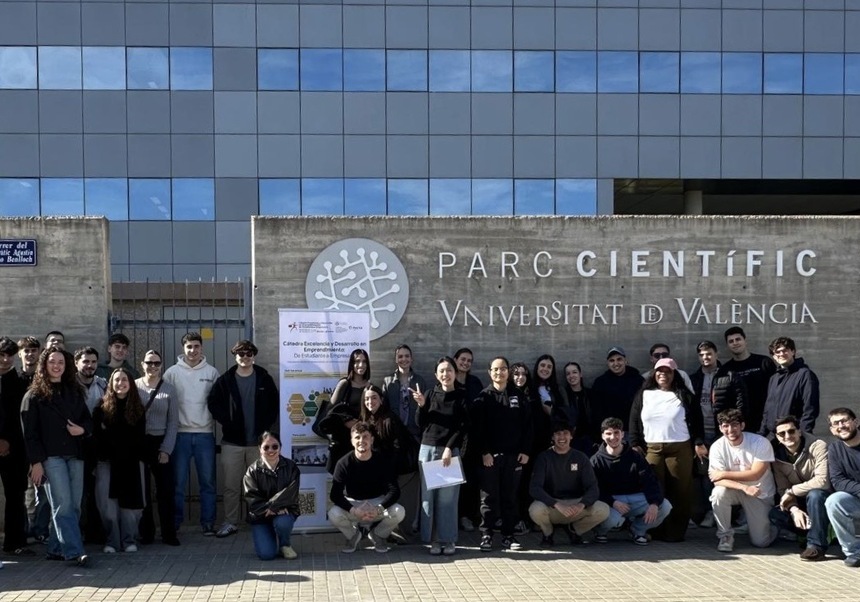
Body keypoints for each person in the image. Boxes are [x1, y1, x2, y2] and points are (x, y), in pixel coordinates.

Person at [20, 347, 92, 566]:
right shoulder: (33, 395)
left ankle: (54, 548)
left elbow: (87, 420)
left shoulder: (74, 391)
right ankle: (75, 551)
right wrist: (36, 462)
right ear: (44, 364)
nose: (57, 365)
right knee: (63, 505)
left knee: (74, 505)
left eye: (61, 362)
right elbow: (29, 434)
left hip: (75, 454)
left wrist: (82, 430)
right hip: (51, 458)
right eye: (52, 361)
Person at [207, 339, 279, 539]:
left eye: (249, 353)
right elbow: (212, 403)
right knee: (231, 486)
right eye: (241, 353)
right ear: (235, 356)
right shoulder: (225, 380)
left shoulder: (264, 378)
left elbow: (274, 404)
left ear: (253, 356)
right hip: (233, 443)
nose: (245, 357)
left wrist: (266, 427)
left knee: (258, 486)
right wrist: (227, 420)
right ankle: (230, 522)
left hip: (258, 444)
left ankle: (258, 521)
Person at [629, 357, 706, 542]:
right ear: (654, 374)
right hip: (652, 448)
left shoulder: (685, 395)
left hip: (680, 448)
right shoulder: (644, 394)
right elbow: (634, 419)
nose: (663, 375)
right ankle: (654, 530)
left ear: (674, 374)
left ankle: (675, 533)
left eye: (668, 372)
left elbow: (697, 420)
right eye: (659, 371)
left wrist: (698, 442)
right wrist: (634, 442)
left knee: (680, 491)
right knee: (655, 490)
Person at [472, 356, 533, 552]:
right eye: (496, 369)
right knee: (488, 499)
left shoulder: (519, 396)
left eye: (503, 368)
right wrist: (484, 453)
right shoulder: (483, 398)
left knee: (510, 498)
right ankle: (487, 535)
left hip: (514, 457)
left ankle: (508, 535)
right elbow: (478, 430)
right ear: (490, 373)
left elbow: (528, 426)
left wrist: (525, 451)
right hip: (489, 458)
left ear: (508, 372)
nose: (500, 372)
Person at [163, 332, 220, 535]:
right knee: (178, 483)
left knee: (208, 483)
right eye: (189, 347)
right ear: (183, 349)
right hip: (180, 435)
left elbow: (218, 401)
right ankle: (175, 522)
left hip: (205, 434)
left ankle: (208, 523)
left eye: (196, 346)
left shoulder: (212, 372)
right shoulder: (172, 372)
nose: (193, 350)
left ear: (201, 348)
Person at [412, 356, 469, 556]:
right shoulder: (429, 394)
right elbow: (420, 424)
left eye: (449, 370)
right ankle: (433, 540)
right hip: (427, 450)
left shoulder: (461, 396)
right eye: (442, 371)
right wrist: (421, 405)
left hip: (449, 453)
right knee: (429, 498)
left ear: (455, 373)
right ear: (436, 375)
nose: (446, 374)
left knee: (448, 499)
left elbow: (462, 426)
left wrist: (449, 447)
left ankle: (448, 540)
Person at [689, 340, 747, 528]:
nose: (705, 357)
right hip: (703, 437)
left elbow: (741, 405)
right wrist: (698, 441)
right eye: (701, 354)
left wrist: (732, 431)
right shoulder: (693, 379)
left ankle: (735, 513)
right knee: (708, 476)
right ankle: (710, 512)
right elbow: (690, 413)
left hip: (725, 436)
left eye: (709, 353)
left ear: (716, 354)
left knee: (731, 473)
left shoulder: (729, 376)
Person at [591, 417, 672, 545]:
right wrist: (613, 502)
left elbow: (650, 481)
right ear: (602, 436)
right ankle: (600, 532)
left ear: (622, 434)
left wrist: (654, 503)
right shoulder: (596, 461)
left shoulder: (635, 456)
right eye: (608, 433)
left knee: (665, 506)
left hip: (636, 499)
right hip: (612, 502)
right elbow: (594, 489)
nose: (613, 437)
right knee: (611, 519)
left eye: (616, 433)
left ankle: (637, 531)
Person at [528, 421, 610, 547]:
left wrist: (582, 504)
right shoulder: (544, 458)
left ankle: (574, 530)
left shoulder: (581, 457)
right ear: (552, 437)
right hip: (553, 506)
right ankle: (548, 533)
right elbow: (535, 488)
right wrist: (556, 504)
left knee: (603, 509)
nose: (562, 437)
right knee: (535, 510)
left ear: (571, 436)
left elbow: (593, 488)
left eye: (565, 433)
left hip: (575, 506)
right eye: (558, 434)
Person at [92, 368, 147, 554]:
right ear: (110, 383)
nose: (120, 383)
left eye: (124, 380)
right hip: (107, 462)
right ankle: (112, 541)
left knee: (130, 507)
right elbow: (97, 436)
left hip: (131, 462)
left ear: (130, 383)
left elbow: (139, 437)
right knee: (107, 505)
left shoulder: (138, 409)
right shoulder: (100, 408)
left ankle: (129, 540)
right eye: (116, 380)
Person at [329, 422, 405, 554]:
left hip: (377, 503)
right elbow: (335, 494)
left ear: (372, 440)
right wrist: (354, 510)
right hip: (354, 504)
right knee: (333, 514)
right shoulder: (343, 463)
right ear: (352, 441)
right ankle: (354, 535)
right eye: (357, 437)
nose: (361, 441)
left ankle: (378, 535)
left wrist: (379, 508)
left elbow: (394, 490)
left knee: (399, 511)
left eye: (365, 437)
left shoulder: (382, 461)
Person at [708, 409, 778, 553]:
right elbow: (717, 481)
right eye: (725, 426)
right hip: (738, 490)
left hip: (759, 492)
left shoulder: (760, 442)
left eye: (734, 425)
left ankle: (776, 525)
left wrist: (723, 473)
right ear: (720, 428)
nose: (730, 430)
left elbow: (755, 474)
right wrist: (744, 487)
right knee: (718, 493)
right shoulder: (717, 447)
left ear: (742, 425)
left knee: (761, 542)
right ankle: (725, 536)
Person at [768, 415, 831, 561]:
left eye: (791, 431)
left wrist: (792, 491)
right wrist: (794, 509)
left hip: (821, 499)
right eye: (782, 433)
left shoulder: (818, 446)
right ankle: (809, 534)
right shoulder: (777, 457)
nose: (787, 436)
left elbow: (822, 481)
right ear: (777, 437)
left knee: (815, 495)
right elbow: (782, 489)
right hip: (799, 501)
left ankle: (816, 546)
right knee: (774, 514)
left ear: (799, 432)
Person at [135, 350, 180, 546]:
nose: (152, 366)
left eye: (156, 363)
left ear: (161, 365)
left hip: (161, 442)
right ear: (142, 364)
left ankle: (168, 533)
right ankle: (147, 533)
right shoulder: (134, 386)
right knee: (143, 490)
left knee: (166, 491)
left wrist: (166, 449)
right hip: (140, 443)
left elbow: (173, 422)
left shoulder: (169, 389)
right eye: (149, 363)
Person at [381, 344, 425, 536]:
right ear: (395, 359)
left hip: (414, 437)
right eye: (400, 356)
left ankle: (412, 523)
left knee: (414, 481)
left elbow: (425, 408)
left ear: (412, 359)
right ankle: (394, 525)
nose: (404, 359)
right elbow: (383, 409)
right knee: (395, 481)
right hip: (395, 439)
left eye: (407, 356)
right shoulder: (388, 382)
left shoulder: (420, 380)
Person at [243, 431, 301, 561]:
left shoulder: (291, 467)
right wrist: (270, 508)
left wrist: (273, 507)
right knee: (267, 555)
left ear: (280, 447)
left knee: (283, 523)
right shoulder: (252, 471)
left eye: (275, 446)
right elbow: (251, 497)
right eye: (266, 447)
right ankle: (269, 538)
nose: (271, 450)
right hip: (260, 516)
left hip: (284, 512)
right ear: (260, 449)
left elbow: (291, 492)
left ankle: (284, 544)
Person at [0, 337, 33, 556]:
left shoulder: (21, 383)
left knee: (15, 496)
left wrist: (8, 441)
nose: (5, 360)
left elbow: (20, 417)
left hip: (15, 449)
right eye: (1, 355)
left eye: (9, 355)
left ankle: (14, 543)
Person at [74, 346, 108, 544]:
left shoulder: (103, 385)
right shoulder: (68, 386)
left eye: (93, 362)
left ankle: (95, 532)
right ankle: (76, 533)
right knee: (77, 493)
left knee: (96, 490)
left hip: (96, 446)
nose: (90, 365)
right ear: (76, 363)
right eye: (85, 361)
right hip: (74, 446)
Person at [317, 348, 371, 474]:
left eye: (364, 361)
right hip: (342, 440)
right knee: (341, 476)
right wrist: (345, 421)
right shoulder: (344, 384)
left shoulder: (369, 386)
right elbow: (330, 411)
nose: (361, 365)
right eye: (357, 361)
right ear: (352, 364)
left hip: (359, 440)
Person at [715, 327, 776, 433]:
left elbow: (776, 392)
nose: (735, 343)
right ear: (728, 345)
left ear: (745, 341)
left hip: (766, 422)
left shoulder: (764, 362)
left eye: (738, 339)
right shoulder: (725, 370)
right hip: (739, 426)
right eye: (731, 341)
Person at [759, 337, 819, 438]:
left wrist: (803, 434)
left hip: (793, 434)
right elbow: (768, 409)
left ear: (793, 351)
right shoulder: (774, 378)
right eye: (777, 352)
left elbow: (810, 408)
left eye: (785, 350)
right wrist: (762, 433)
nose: (781, 354)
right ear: (774, 356)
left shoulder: (805, 374)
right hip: (775, 436)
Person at [824, 408, 860, 567]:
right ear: (832, 429)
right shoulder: (835, 449)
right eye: (836, 423)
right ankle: (854, 552)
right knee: (834, 501)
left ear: (856, 422)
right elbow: (838, 481)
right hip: (856, 499)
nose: (841, 426)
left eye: (844, 421)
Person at [452, 346, 483, 534]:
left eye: (469, 361)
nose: (465, 363)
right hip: (453, 439)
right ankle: (453, 517)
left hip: (472, 440)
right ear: (455, 360)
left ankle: (467, 516)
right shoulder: (448, 380)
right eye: (462, 359)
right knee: (453, 480)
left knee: (470, 480)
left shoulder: (475, 382)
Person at [359, 384, 416, 477]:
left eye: (374, 398)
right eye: (367, 399)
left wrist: (387, 468)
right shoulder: (366, 420)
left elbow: (398, 447)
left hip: (393, 470)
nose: (370, 401)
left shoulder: (390, 419)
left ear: (381, 400)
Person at [591, 346, 643, 434]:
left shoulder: (638, 380)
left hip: (633, 431)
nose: (616, 363)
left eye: (619, 359)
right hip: (611, 433)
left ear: (625, 361)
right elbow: (596, 411)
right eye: (612, 360)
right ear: (608, 363)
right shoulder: (600, 383)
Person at [561, 361, 595, 454]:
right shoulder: (563, 396)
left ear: (580, 374)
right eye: (568, 374)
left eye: (574, 372)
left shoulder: (590, 394)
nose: (571, 376)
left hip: (590, 440)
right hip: (571, 440)